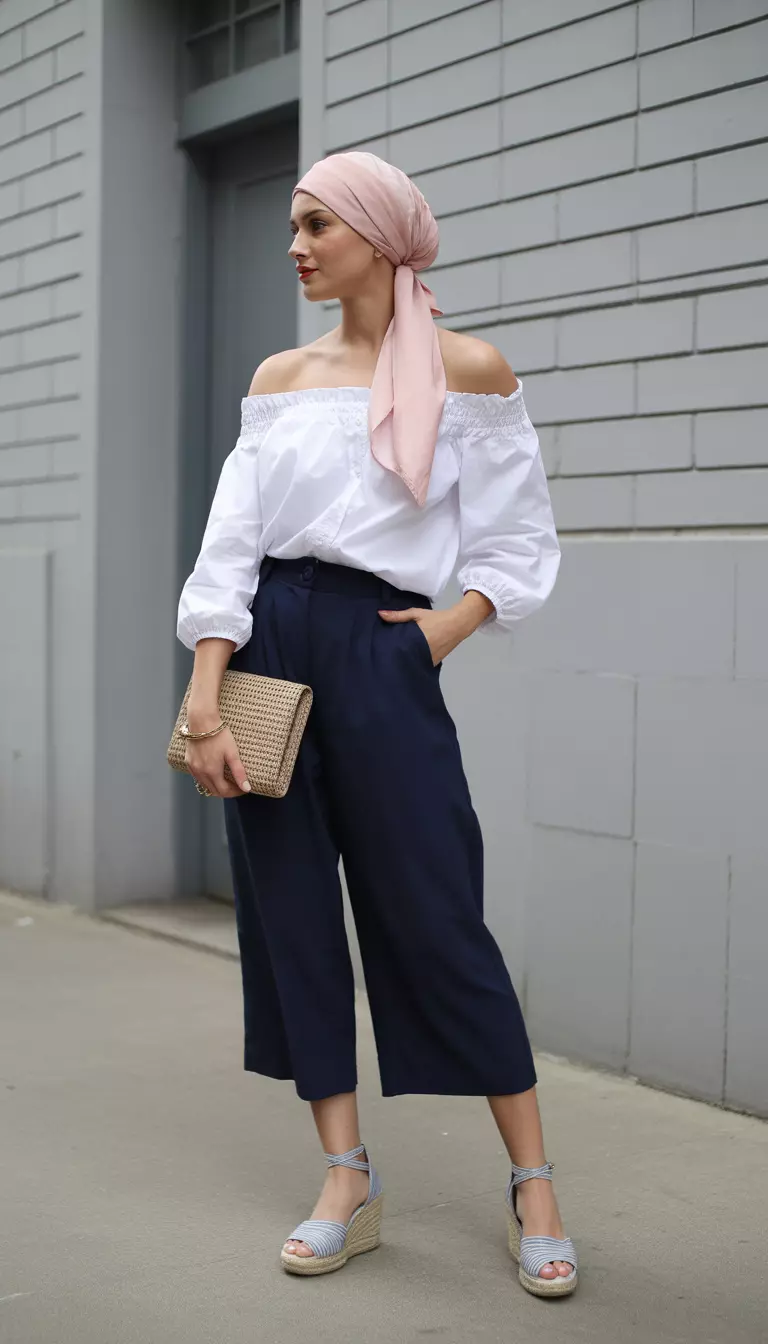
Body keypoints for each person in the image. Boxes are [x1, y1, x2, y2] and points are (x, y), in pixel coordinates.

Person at [176, 151, 577, 1297]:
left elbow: (516, 544)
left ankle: (534, 1181)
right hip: (265, 645)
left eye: (317, 224)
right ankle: (346, 1176)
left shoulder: (470, 370)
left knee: (439, 911)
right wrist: (206, 689)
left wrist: (437, 636)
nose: (296, 244)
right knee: (292, 916)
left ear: (381, 235)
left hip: (383, 646)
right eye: (292, 224)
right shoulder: (282, 375)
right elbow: (233, 545)